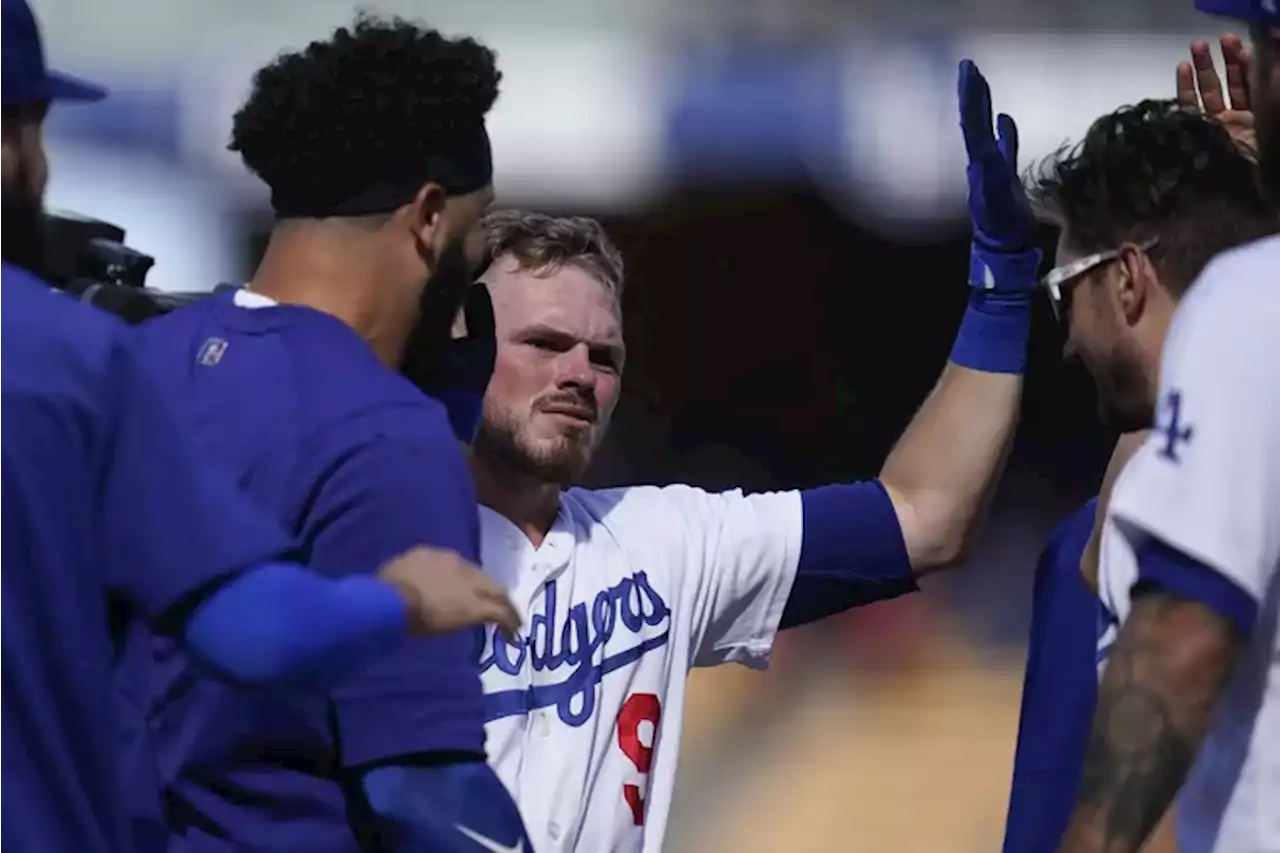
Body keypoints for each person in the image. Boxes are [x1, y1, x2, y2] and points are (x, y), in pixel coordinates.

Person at [467, 58, 1042, 852]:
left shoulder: (660, 539)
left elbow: (924, 515)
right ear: (460, 347)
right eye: (543, 343)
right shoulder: (364, 537)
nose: (578, 375)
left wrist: (1001, 293)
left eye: (604, 357)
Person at [0, 3, 520, 852]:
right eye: (474, 229)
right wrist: (399, 598)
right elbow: (425, 799)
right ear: (429, 218)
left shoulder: (138, 351)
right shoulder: (388, 434)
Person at [1004, 37, 1263, 853]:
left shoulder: (1168, 471)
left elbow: (1181, 656)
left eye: (1063, 291)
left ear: (1125, 279)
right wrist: (1247, 228)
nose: (1068, 340)